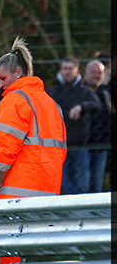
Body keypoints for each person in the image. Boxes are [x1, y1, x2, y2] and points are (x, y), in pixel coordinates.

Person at [0, 37, 66, 200]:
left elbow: (5, 148)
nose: (0, 85)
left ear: (18, 72)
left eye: (3, 79)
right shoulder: (52, 104)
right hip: (49, 189)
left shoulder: (14, 100)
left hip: (16, 191)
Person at [45, 57, 100, 195]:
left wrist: (82, 106)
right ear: (60, 71)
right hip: (58, 145)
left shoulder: (85, 91)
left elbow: (97, 105)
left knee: (83, 184)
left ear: (77, 71)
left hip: (80, 144)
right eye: (65, 69)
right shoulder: (52, 92)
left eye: (70, 69)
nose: (67, 72)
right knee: (61, 184)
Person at [84, 59, 113, 193]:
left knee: (97, 184)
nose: (96, 76)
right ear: (86, 73)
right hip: (82, 146)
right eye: (93, 72)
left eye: (99, 73)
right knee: (82, 183)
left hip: (101, 146)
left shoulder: (105, 93)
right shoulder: (79, 91)